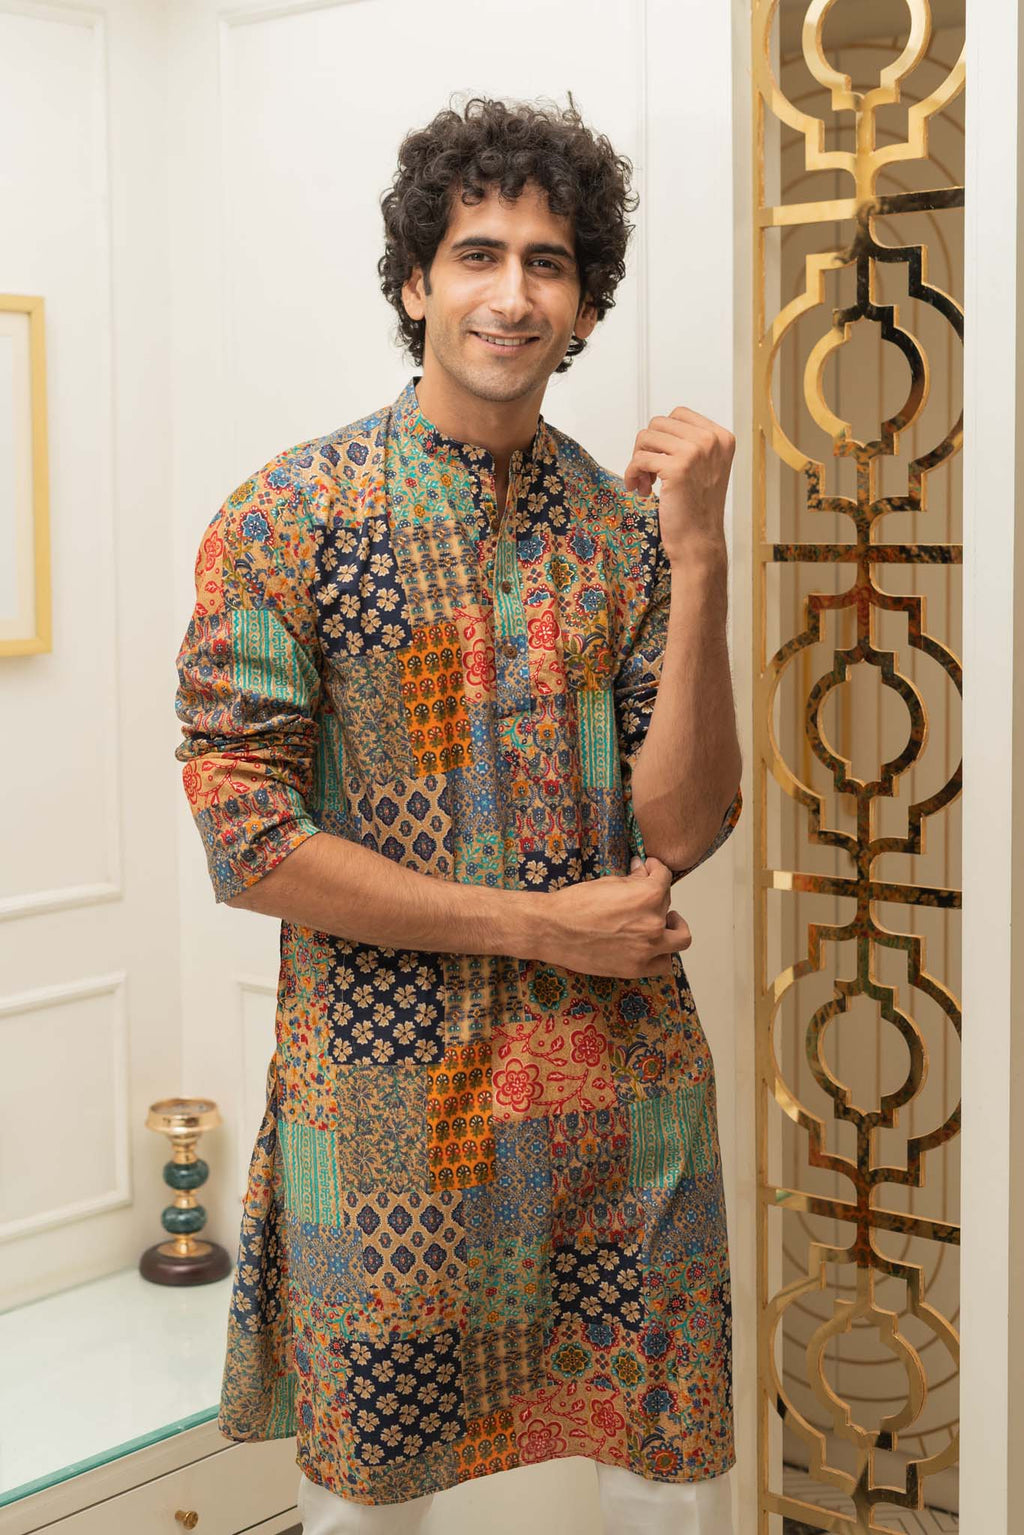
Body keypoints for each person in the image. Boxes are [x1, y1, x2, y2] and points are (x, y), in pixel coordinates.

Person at [174, 93, 743, 1535]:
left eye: (547, 262)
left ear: (585, 302)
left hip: (623, 1097)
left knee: (660, 1485)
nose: (512, 292)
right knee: (372, 1504)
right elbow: (248, 841)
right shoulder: (287, 517)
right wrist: (545, 925)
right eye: (477, 253)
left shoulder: (623, 534)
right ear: (416, 282)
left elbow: (685, 822)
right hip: (385, 1105)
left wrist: (702, 557)